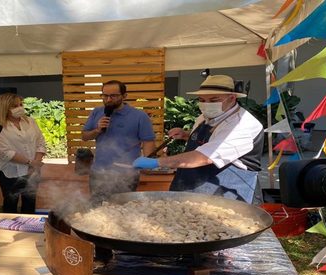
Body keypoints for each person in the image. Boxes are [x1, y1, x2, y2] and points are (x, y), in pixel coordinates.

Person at [133, 75, 264, 205]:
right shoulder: (204, 117)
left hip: (226, 196)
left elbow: (204, 157)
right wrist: (185, 135)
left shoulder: (242, 125)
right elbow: (212, 139)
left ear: (232, 98)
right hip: (190, 188)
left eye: (214, 100)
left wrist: (157, 162)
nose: (206, 105)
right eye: (202, 100)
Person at [82, 80, 156, 204]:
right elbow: (84, 136)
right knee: (97, 209)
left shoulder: (139, 116)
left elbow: (148, 142)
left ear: (124, 96)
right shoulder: (97, 112)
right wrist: (97, 130)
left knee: (122, 209)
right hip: (99, 172)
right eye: (104, 96)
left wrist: (147, 164)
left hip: (126, 174)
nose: (108, 99)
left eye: (113, 96)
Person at [0, 93, 46, 214]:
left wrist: (36, 162)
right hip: (9, 172)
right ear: (5, 108)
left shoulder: (30, 122)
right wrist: (31, 163)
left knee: (30, 202)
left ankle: (29, 228)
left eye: (21, 104)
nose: (20, 108)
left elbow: (41, 141)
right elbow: (6, 153)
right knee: (11, 204)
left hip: (32, 170)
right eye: (15, 106)